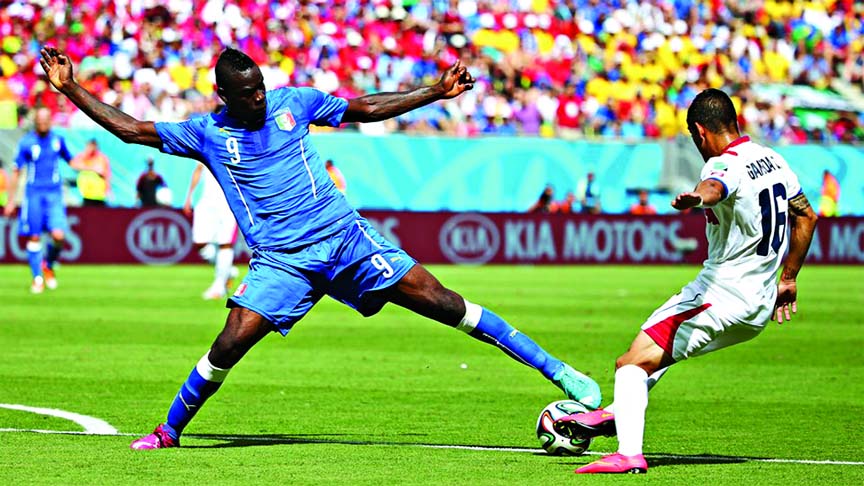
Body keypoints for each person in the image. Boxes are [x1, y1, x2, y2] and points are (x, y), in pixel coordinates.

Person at [39, 46, 601, 450]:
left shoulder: (294, 103)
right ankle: (169, 430)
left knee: (446, 302)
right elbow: (133, 129)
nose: (258, 97)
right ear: (223, 96)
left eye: (260, 86)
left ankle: (563, 374)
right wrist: (71, 88)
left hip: (346, 238)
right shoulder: (207, 133)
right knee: (230, 341)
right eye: (247, 93)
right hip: (284, 262)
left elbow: (364, 108)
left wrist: (432, 92)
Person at [554, 89, 818, 474]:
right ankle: (619, 412)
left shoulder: (721, 165)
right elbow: (807, 216)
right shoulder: (772, 159)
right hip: (759, 305)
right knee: (658, 356)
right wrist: (789, 277)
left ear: (699, 131)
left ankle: (628, 453)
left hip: (721, 294)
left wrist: (697, 196)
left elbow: (717, 188)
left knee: (629, 364)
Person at [3, 107, 74, 293]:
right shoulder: (27, 142)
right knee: (34, 237)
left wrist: (92, 168)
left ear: (50, 121)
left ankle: (48, 265)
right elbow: (17, 170)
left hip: (54, 194)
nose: (42, 123)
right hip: (33, 194)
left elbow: (71, 161)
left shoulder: (58, 140)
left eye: (45, 120)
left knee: (58, 236)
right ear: (35, 121)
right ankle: (37, 279)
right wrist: (11, 200)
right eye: (39, 120)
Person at [183, 163, 239, 299]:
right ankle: (227, 271)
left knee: (225, 243)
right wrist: (189, 196)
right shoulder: (207, 142)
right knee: (199, 243)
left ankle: (219, 287)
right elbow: (198, 168)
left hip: (228, 201)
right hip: (207, 201)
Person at [69, 138, 112, 206]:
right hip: (85, 194)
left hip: (99, 195)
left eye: (93, 146)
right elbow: (74, 165)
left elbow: (107, 174)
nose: (91, 148)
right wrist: (91, 168)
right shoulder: (82, 156)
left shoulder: (102, 158)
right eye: (89, 146)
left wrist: (108, 190)